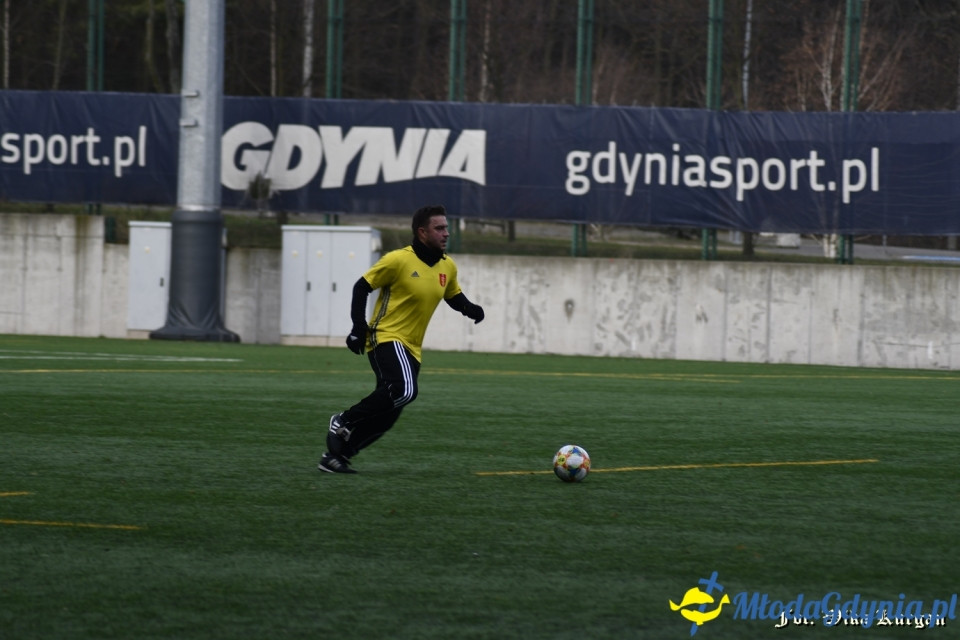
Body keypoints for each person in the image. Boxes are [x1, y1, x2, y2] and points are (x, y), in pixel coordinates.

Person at [318, 205, 485, 474]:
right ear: (422, 232)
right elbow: (362, 286)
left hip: (412, 349)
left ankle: (336, 457)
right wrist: (358, 328)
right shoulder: (397, 260)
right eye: (439, 228)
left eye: (446, 227)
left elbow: (452, 294)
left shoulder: (447, 266)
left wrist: (471, 309)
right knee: (405, 390)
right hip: (385, 337)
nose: (446, 233)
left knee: (387, 416)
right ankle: (344, 420)